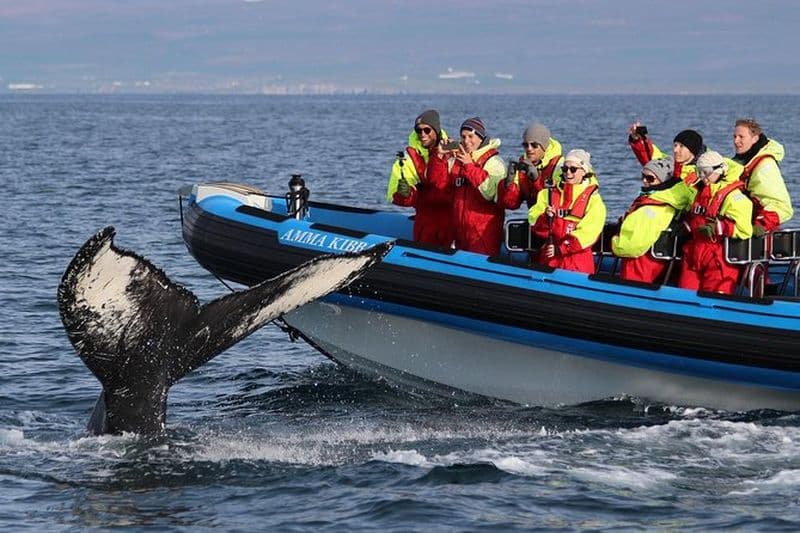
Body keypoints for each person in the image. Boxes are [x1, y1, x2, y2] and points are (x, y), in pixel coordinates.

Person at [426, 117, 506, 255]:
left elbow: (490, 193)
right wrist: (439, 157)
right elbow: (438, 182)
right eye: (463, 137)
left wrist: (469, 166)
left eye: (470, 136)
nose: (466, 141)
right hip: (460, 234)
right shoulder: (457, 160)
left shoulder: (494, 162)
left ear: (480, 137)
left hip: (483, 235)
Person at [678, 150, 753, 295]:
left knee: (713, 297)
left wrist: (718, 228)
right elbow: (697, 216)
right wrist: (687, 226)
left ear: (719, 170)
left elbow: (744, 229)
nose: (702, 177)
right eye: (699, 172)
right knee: (684, 294)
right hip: (695, 253)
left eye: (705, 172)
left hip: (718, 256)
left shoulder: (734, 197)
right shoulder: (700, 192)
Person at [611, 159, 693, 283]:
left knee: (633, 289)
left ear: (663, 180)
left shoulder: (653, 208)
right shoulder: (661, 201)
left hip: (640, 261)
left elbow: (633, 246)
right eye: (643, 176)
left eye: (650, 178)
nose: (644, 181)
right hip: (647, 259)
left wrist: (615, 242)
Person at [526, 149, 606, 273]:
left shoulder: (594, 200)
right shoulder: (548, 194)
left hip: (577, 263)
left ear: (584, 171)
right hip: (550, 258)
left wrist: (562, 248)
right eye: (565, 169)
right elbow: (533, 221)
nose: (568, 173)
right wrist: (545, 218)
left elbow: (588, 233)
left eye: (573, 169)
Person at [386, 109, 454, 247]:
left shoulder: (453, 150)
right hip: (425, 224)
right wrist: (405, 194)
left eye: (427, 130)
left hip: (453, 223)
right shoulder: (407, 159)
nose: (423, 134)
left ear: (436, 130)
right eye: (419, 130)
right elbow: (394, 194)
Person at [732, 117, 793, 234]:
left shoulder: (764, 166)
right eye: (734, 137)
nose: (736, 141)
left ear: (755, 138)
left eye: (741, 137)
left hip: (760, 231)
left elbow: (780, 205)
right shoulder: (741, 162)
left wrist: (761, 225)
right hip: (741, 228)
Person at [497, 122, 563, 209]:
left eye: (534, 145)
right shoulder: (523, 165)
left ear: (544, 147)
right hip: (534, 216)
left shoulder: (559, 166)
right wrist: (508, 183)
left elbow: (555, 203)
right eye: (525, 145)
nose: (529, 149)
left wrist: (536, 180)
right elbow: (511, 204)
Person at [627, 123, 705, 185]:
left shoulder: (701, 174)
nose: (675, 150)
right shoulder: (668, 163)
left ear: (692, 150)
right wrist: (638, 139)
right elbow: (650, 155)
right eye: (675, 145)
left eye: (681, 146)